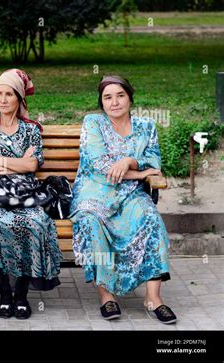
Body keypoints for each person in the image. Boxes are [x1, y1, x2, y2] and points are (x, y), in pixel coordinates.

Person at [69, 75, 177, 324]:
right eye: (108, 97)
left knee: (150, 218)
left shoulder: (146, 126)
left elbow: (154, 161)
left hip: (129, 194)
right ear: (102, 102)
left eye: (120, 95)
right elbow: (99, 164)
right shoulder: (93, 123)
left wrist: (129, 161)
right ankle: (107, 295)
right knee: (90, 223)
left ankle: (153, 299)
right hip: (93, 192)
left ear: (130, 97)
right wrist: (138, 173)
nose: (114, 102)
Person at [0, 69, 63, 320]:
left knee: (36, 223)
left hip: (28, 196)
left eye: (9, 94)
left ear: (19, 98)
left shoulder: (30, 129)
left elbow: (32, 166)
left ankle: (21, 294)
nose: (3, 99)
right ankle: (4, 293)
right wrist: (16, 162)